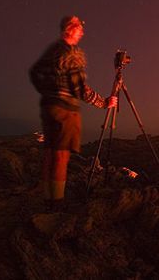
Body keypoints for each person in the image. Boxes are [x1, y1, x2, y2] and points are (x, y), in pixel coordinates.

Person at [29, 15, 117, 209]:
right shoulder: (70, 53)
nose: (82, 31)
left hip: (49, 107)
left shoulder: (53, 50)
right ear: (70, 29)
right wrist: (104, 102)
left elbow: (35, 72)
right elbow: (79, 88)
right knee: (61, 156)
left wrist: (49, 92)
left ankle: (46, 197)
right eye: (79, 27)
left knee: (51, 153)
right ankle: (56, 205)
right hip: (65, 109)